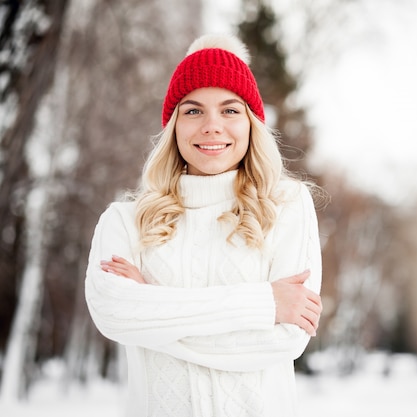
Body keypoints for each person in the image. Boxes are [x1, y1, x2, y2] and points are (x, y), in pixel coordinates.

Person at [84, 33, 323, 417]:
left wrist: (152, 306)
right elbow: (114, 313)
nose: (212, 126)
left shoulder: (288, 208)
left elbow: (285, 338)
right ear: (173, 126)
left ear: (251, 123)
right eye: (193, 110)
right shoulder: (125, 221)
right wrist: (264, 302)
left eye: (230, 110)